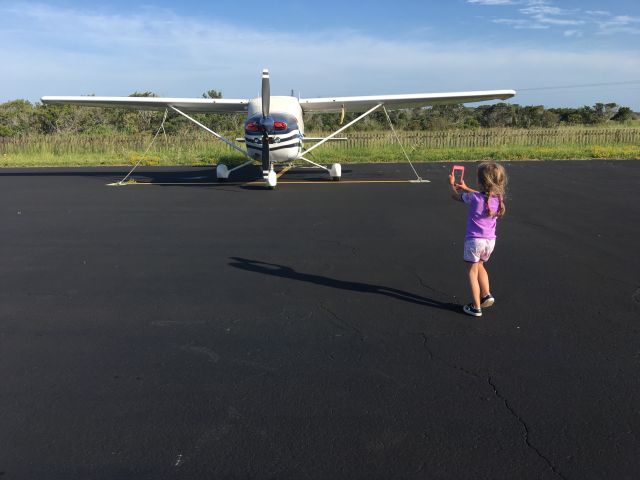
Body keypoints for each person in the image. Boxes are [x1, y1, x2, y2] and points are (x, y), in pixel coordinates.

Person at [448, 162, 507, 317]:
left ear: (481, 182)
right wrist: (467, 188)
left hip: (474, 241)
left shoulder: (474, 198)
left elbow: (454, 195)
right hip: (489, 242)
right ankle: (486, 294)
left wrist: (451, 184)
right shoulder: (498, 199)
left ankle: (475, 307)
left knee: (472, 272)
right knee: (480, 265)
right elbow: (483, 196)